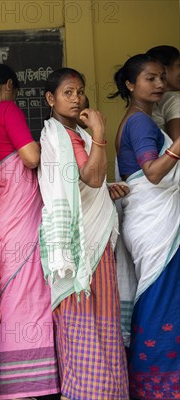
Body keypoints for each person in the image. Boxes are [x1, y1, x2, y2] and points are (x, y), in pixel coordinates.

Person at [38, 67, 129, 400]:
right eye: (68, 93)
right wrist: (101, 132)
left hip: (92, 245)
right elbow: (91, 178)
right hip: (79, 250)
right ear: (50, 99)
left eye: (80, 91)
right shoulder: (65, 136)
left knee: (99, 325)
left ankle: (102, 392)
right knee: (86, 328)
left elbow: (92, 183)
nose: (77, 99)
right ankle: (91, 393)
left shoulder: (73, 136)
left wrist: (107, 189)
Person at [0, 61, 59, 399]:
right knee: (29, 291)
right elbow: (31, 158)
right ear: (9, 85)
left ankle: (8, 378)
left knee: (8, 293)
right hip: (22, 217)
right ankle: (31, 381)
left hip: (0, 215)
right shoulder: (8, 109)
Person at [110, 54, 180, 400]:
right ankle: (157, 387)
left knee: (159, 299)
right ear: (130, 85)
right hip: (154, 223)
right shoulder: (139, 123)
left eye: (162, 78)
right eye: (150, 78)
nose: (159, 85)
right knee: (160, 300)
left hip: (152, 220)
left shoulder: (142, 120)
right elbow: (152, 172)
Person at [146, 45, 180, 140]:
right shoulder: (173, 99)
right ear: (163, 69)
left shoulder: (147, 100)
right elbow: (177, 144)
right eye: (179, 65)